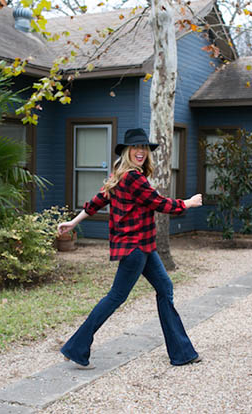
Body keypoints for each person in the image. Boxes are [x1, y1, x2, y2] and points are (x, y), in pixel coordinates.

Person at [58, 128, 203, 369]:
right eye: (136, 148)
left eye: (144, 148)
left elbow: (98, 200)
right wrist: (187, 203)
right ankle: (76, 347)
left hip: (144, 246)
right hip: (134, 248)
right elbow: (158, 203)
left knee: (165, 287)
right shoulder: (133, 178)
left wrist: (74, 221)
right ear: (127, 151)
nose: (140, 152)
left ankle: (182, 352)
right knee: (116, 296)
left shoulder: (120, 175)